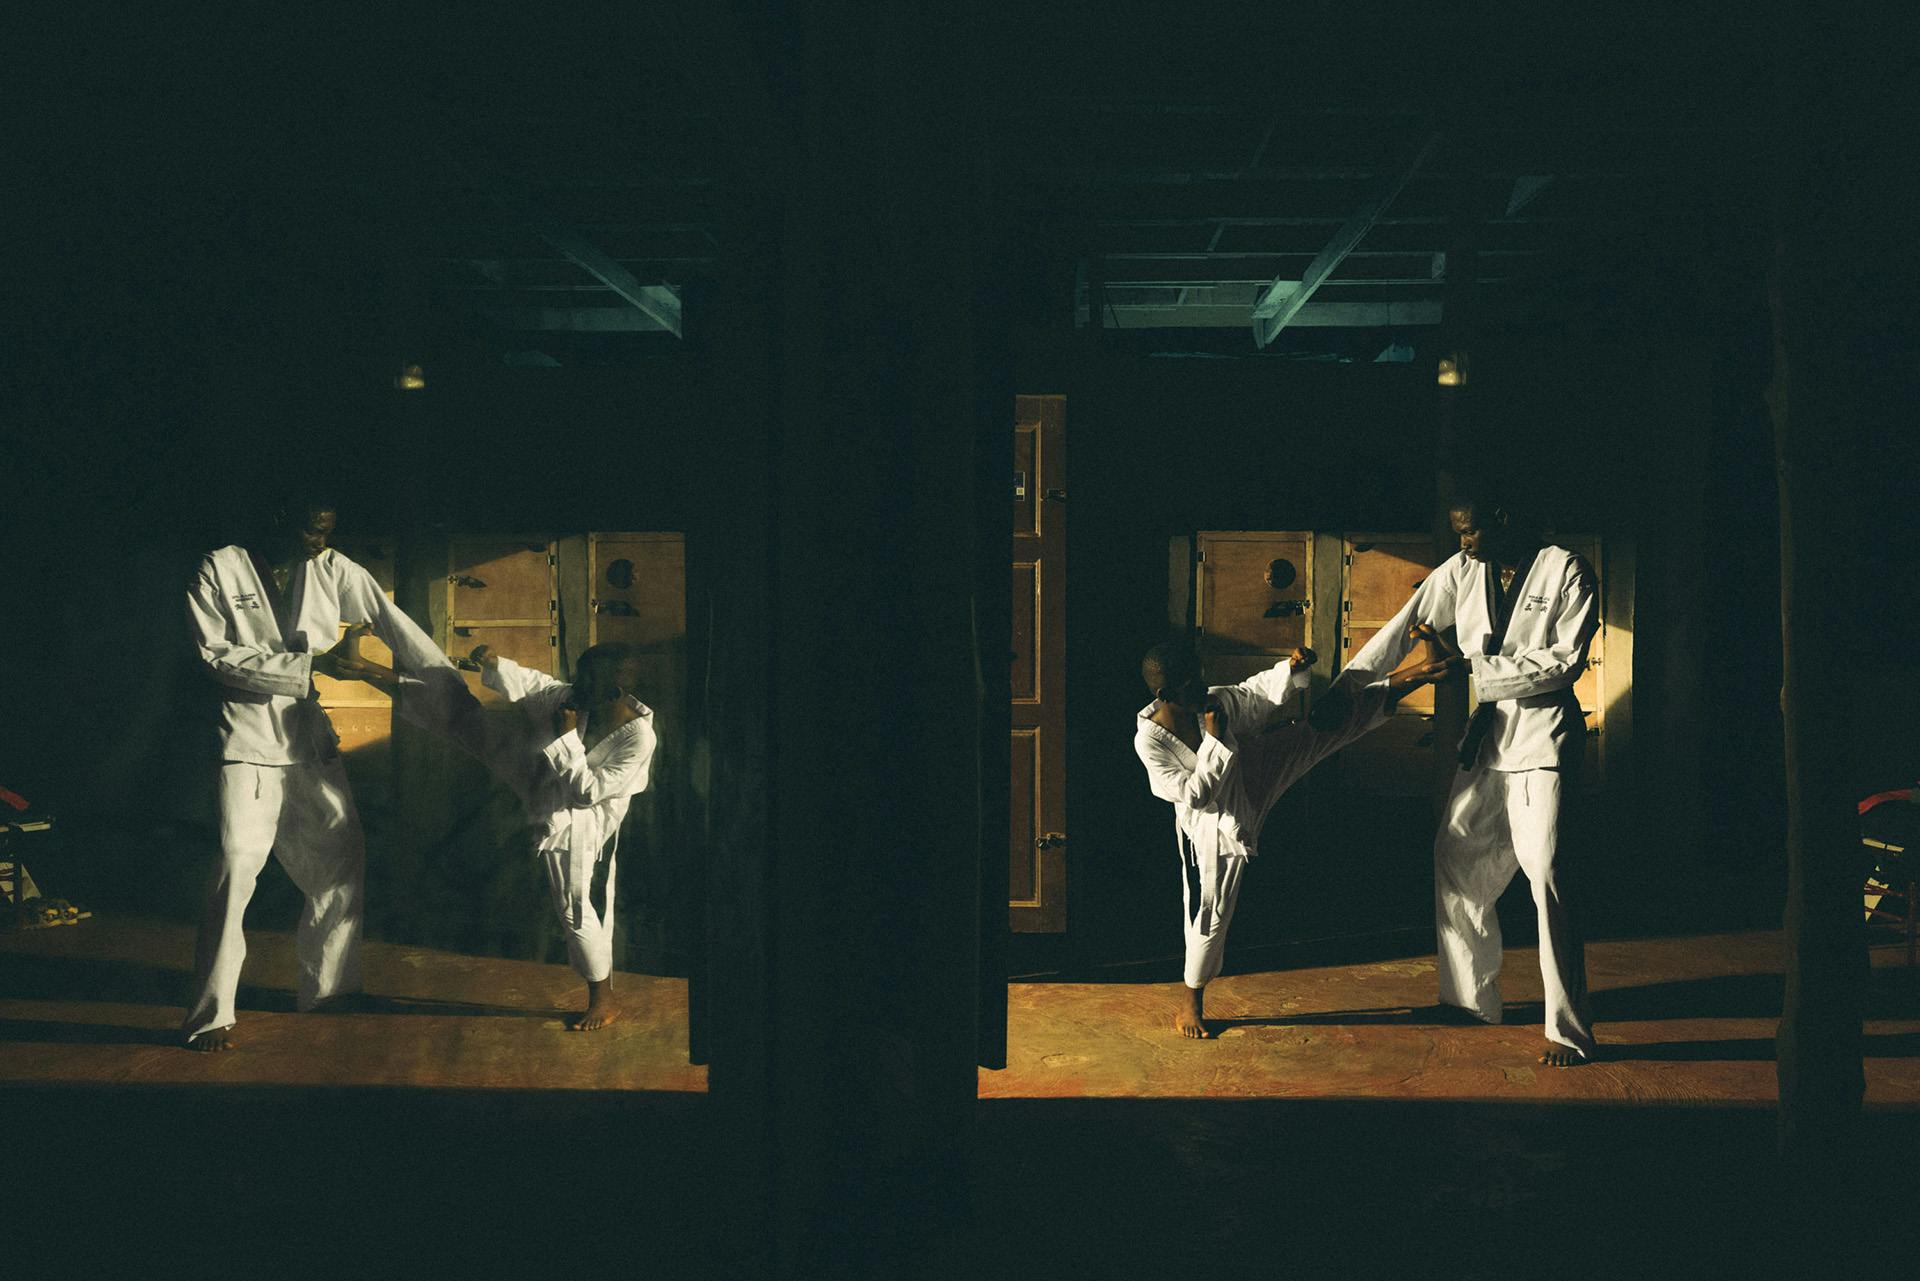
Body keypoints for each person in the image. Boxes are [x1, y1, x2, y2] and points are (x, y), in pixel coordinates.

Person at [180, 492, 473, 1051]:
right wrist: (312, 664)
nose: (320, 542)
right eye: (311, 531)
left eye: (327, 531)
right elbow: (215, 657)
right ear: (278, 519)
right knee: (237, 867)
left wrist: (449, 691)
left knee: (341, 858)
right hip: (246, 741)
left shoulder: (334, 568)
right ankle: (210, 1015)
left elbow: (395, 625)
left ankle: (330, 989)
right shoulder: (220, 566)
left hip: (307, 737)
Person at [1334, 492, 1600, 1067]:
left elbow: (1563, 662)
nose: (1463, 542)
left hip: (1540, 742)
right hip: (1488, 743)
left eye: (1471, 531)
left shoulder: (1565, 568)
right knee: (1455, 857)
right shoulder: (1463, 570)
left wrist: (1474, 669)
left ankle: (1569, 1032)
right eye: (1458, 533)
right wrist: (1348, 688)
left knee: (1548, 877)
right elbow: (1404, 627)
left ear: (1503, 519)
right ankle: (1470, 1000)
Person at [1134, 641, 1452, 1039]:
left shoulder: (1211, 701)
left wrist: (1290, 668)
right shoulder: (1151, 741)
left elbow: (1253, 695)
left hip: (1252, 772)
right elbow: (1197, 795)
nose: (1201, 686)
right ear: (1166, 695)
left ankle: (1416, 673)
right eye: (1189, 683)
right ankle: (1191, 1000)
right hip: (1213, 825)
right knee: (1210, 913)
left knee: (1324, 729)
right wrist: (1215, 740)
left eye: (1199, 675)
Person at [467, 641, 657, 1032]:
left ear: (614, 693)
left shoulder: (638, 738)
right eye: (578, 677)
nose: (575, 688)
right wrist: (495, 663)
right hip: (554, 795)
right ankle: (603, 994)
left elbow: (586, 794)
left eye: (586, 683)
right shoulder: (579, 698)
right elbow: (538, 685)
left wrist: (567, 737)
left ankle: (603, 998)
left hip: (588, 820)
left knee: (574, 905)